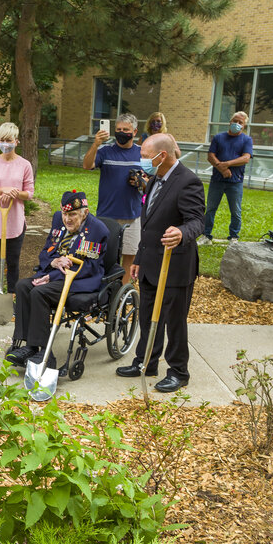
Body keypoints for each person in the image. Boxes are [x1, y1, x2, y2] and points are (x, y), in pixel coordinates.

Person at [116, 134, 204, 393]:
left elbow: (198, 221)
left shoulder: (188, 181)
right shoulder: (154, 179)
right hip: (151, 264)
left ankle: (178, 371)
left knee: (174, 321)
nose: (142, 160)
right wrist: (140, 259)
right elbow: (150, 225)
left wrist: (182, 233)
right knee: (147, 316)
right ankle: (146, 363)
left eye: (144, 155)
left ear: (161, 156)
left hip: (175, 265)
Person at [5, 191, 109, 370]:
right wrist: (53, 261)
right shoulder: (59, 223)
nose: (67, 219)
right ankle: (28, 345)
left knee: (39, 293)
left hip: (79, 280)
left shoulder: (97, 230)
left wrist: (51, 276)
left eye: (72, 215)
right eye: (64, 214)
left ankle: (46, 353)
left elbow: (87, 267)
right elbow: (45, 252)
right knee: (22, 286)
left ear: (84, 212)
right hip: (54, 274)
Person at [0, 122, 35, 318]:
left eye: (9, 140)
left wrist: (15, 193)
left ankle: (11, 298)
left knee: (13, 262)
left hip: (15, 221)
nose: (5, 144)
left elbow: (29, 194)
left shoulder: (24, 165)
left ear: (16, 141)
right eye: (2, 140)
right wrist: (2, 190)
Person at [83, 112, 142, 278]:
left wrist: (140, 182)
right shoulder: (105, 151)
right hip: (106, 215)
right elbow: (87, 165)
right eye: (119, 129)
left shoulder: (141, 153)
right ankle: (104, 291)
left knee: (129, 258)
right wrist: (95, 144)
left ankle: (122, 294)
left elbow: (150, 180)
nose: (122, 132)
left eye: (126, 129)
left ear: (134, 132)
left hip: (132, 215)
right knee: (104, 257)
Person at [200, 111, 253, 244]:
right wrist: (221, 168)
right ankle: (206, 235)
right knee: (211, 208)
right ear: (230, 122)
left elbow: (246, 158)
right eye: (235, 121)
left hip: (235, 182)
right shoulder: (218, 138)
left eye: (240, 122)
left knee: (235, 211)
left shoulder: (247, 140)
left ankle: (233, 237)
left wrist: (227, 164)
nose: (237, 124)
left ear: (244, 126)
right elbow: (210, 155)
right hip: (217, 180)